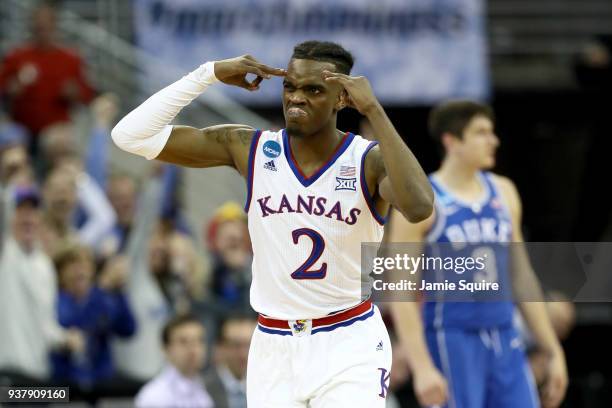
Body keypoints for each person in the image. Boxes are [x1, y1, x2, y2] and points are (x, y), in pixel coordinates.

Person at [112, 41, 433, 406]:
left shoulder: (367, 160)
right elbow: (129, 135)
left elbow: (419, 206)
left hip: (349, 341)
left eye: (313, 90)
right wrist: (209, 73)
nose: (296, 98)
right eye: (290, 87)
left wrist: (373, 109)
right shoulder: (250, 148)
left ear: (342, 98)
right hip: (272, 344)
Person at [388, 100, 568, 408]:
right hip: (451, 337)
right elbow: (400, 292)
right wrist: (421, 367)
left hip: (504, 333)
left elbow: (522, 276)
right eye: (481, 132)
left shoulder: (505, 192)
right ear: (452, 141)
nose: (493, 141)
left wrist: (553, 349)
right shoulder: (422, 201)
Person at [135, 314, 214, 408]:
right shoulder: (154, 397)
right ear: (166, 349)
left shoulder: (207, 392)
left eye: (199, 341)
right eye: (183, 342)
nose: (193, 349)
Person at [205, 314, 257, 408]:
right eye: (236, 345)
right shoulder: (203, 388)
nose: (243, 354)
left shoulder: (265, 386)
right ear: (220, 348)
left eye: (250, 345)